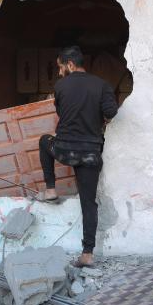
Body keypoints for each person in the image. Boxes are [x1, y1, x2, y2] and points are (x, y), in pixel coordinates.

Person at [38, 46, 119, 268]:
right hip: (90, 154)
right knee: (88, 203)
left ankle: (51, 190)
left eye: (60, 67)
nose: (59, 72)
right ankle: (87, 254)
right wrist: (101, 118)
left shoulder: (61, 86)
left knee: (44, 141)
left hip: (64, 149)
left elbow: (62, 113)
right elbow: (111, 112)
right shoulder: (102, 85)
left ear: (71, 64)